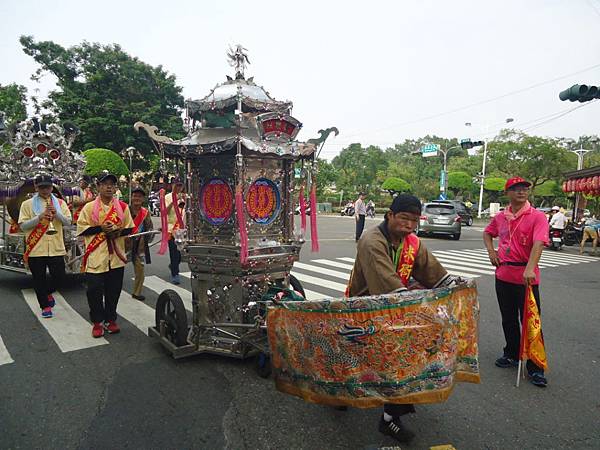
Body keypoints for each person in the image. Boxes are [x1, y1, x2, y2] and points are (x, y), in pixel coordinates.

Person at [347, 194, 453, 443]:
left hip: (397, 305)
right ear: (390, 215)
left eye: (414, 220)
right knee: (392, 358)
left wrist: (454, 285)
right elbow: (386, 284)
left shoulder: (412, 242)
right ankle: (382, 414)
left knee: (404, 359)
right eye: (404, 218)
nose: (408, 225)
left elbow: (432, 271)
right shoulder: (371, 240)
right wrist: (414, 306)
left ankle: (389, 416)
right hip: (368, 307)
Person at [483, 177, 549, 388]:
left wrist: (530, 268)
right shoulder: (502, 217)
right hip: (503, 275)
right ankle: (511, 353)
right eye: (516, 188)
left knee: (531, 322)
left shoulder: (537, 216)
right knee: (508, 319)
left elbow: (539, 242)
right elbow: (487, 233)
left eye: (524, 188)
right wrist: (491, 251)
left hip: (526, 277)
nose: (521, 192)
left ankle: (536, 366)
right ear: (507, 193)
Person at [77, 172, 134, 338]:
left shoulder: (122, 207)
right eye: (105, 184)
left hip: (116, 257)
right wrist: (101, 228)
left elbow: (130, 228)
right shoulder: (88, 208)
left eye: (112, 184)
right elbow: (82, 229)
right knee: (93, 290)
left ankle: (110, 319)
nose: (109, 187)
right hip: (96, 255)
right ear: (98, 187)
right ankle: (97, 321)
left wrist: (117, 231)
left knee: (113, 291)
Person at [18, 174, 72, 318]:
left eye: (47, 187)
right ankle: (45, 306)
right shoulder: (27, 204)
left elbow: (68, 222)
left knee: (60, 276)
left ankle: (47, 293)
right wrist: (39, 217)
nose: (45, 190)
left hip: (56, 247)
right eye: (41, 187)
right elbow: (23, 226)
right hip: (36, 248)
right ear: (36, 187)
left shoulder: (60, 203)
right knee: (38, 279)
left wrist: (57, 214)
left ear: (52, 186)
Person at [127, 187, 153, 300]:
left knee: (140, 271)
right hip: (124, 243)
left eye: (139, 196)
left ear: (143, 199)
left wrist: (150, 235)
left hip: (139, 246)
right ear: (131, 197)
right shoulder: (125, 210)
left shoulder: (145, 212)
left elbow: (149, 228)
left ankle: (136, 292)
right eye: (135, 196)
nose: (137, 198)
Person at [165, 177, 185, 284]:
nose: (178, 187)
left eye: (180, 185)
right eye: (176, 185)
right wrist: (173, 202)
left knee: (181, 255)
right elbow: (164, 212)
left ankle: (174, 265)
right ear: (172, 185)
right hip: (171, 229)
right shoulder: (167, 197)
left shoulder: (184, 197)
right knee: (174, 253)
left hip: (181, 230)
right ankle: (175, 273)